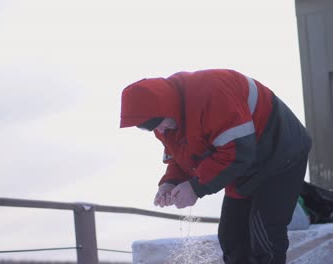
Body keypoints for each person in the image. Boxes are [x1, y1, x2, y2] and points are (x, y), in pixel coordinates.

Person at [119, 69, 311, 264]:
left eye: (154, 123)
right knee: (232, 236)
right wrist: (171, 182)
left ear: (165, 107)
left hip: (279, 152)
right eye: (146, 127)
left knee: (264, 234)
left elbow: (239, 151)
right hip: (244, 167)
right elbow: (182, 157)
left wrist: (196, 187)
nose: (156, 130)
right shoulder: (166, 125)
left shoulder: (212, 94)